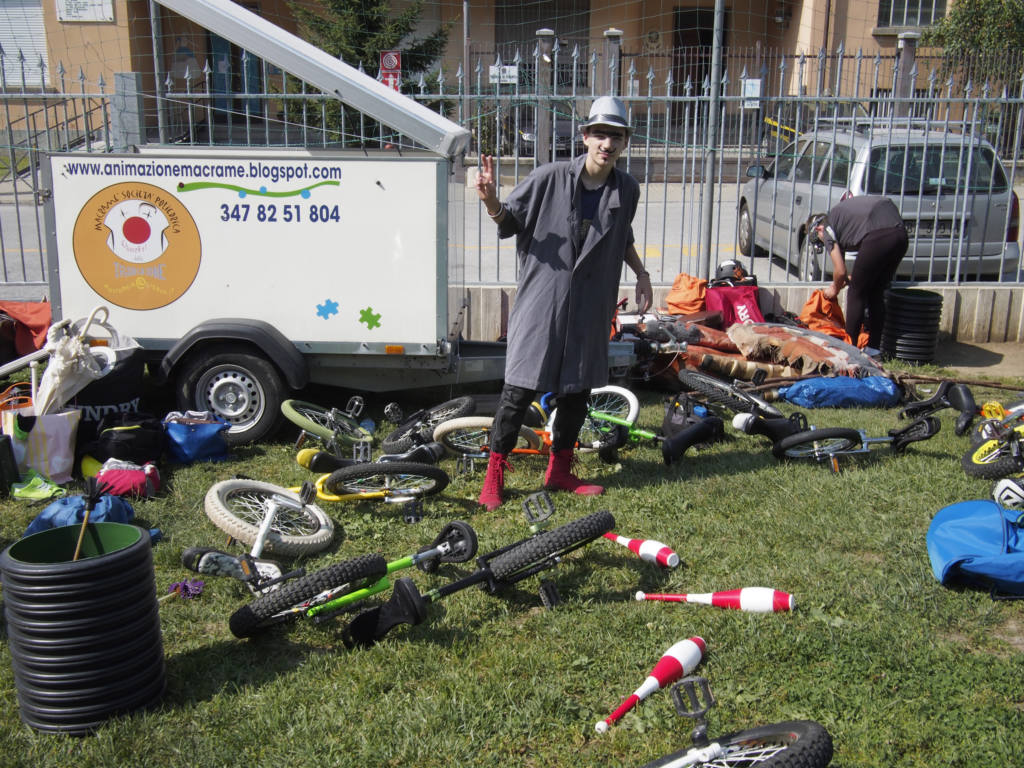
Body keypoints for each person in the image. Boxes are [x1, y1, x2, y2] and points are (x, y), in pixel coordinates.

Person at [473, 95, 653, 511]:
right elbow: (510, 220)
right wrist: (489, 199)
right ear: (585, 136)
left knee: (577, 389)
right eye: (600, 134)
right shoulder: (549, 177)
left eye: (616, 136)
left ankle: (560, 470)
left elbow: (622, 236)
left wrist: (642, 274)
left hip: (592, 301)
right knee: (518, 389)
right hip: (543, 299)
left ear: (624, 143)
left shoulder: (627, 189)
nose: (607, 144)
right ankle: (494, 475)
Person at [808, 195, 908, 349]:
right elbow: (861, 268)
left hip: (879, 235)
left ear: (817, 229)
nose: (823, 243)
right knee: (875, 292)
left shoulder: (826, 227)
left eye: (819, 241)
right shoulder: (842, 219)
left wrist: (834, 289)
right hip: (900, 235)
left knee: (855, 293)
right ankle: (874, 350)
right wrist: (848, 279)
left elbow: (840, 271)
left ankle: (849, 349)